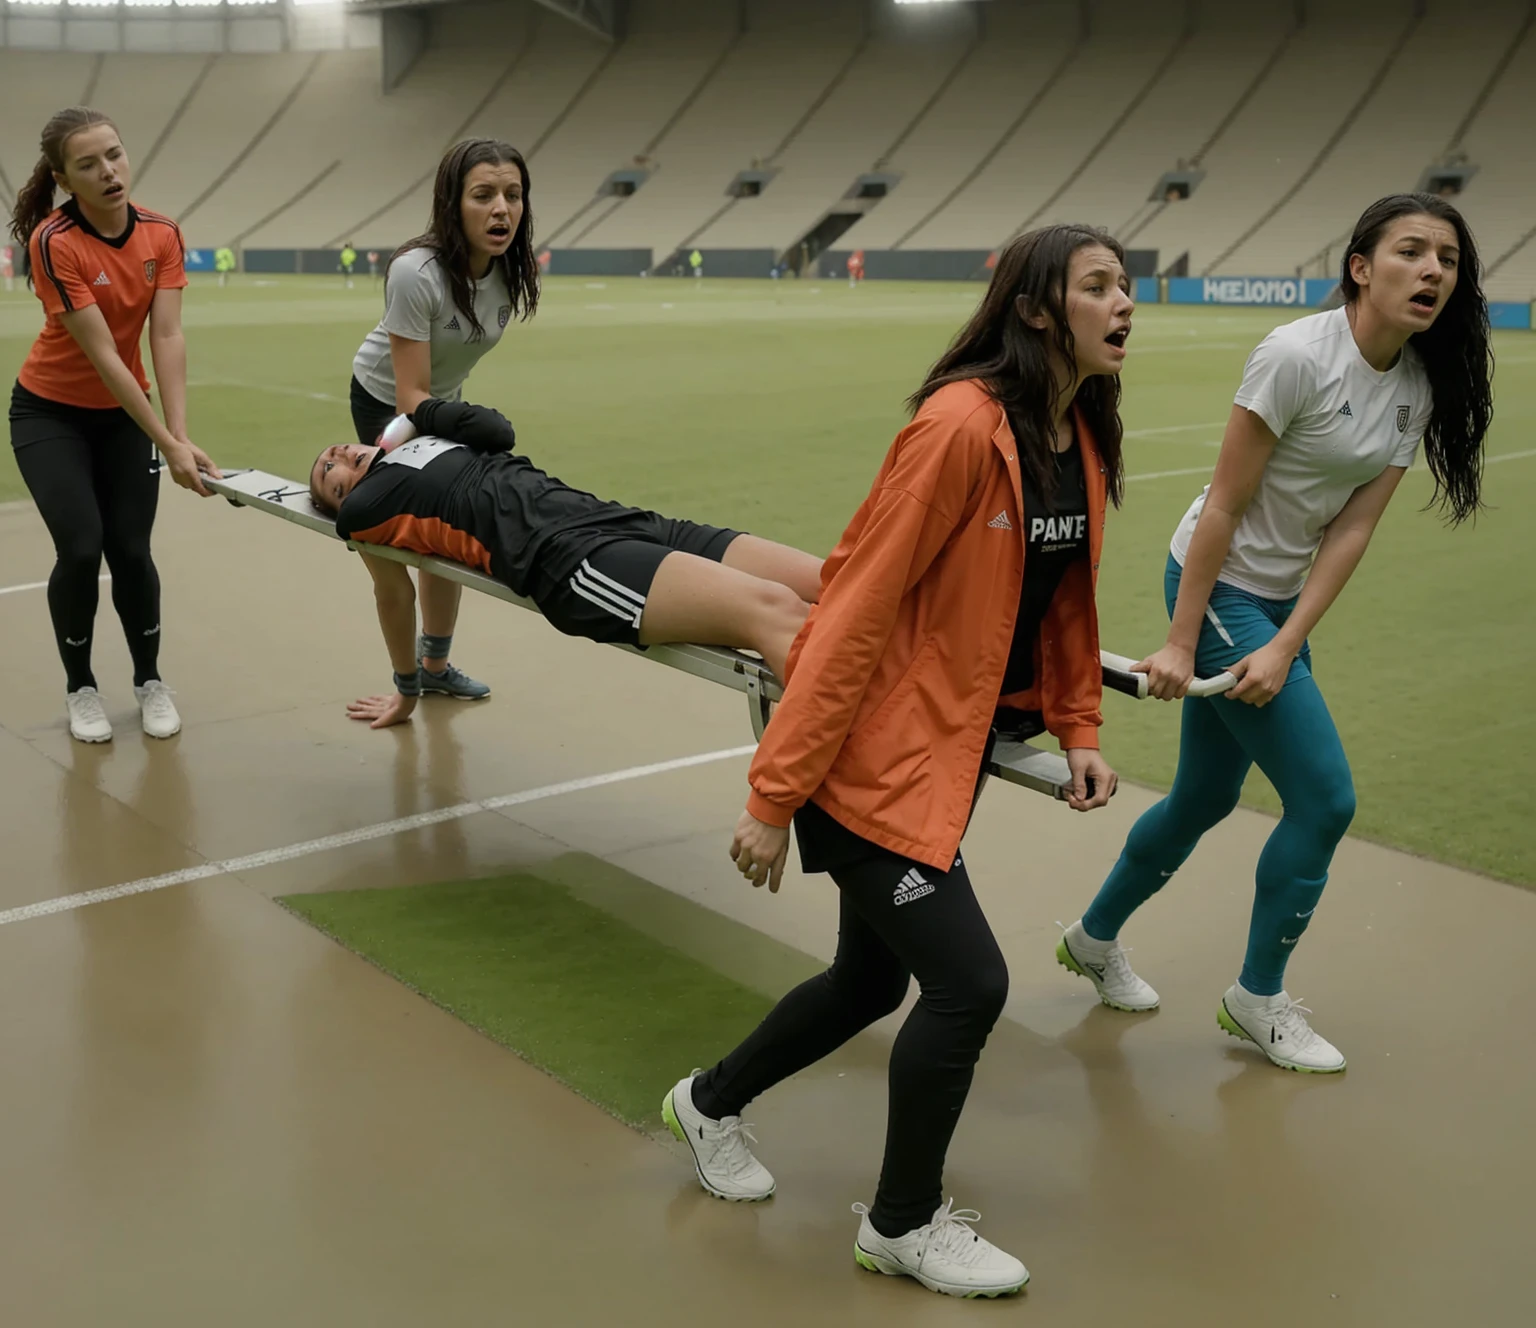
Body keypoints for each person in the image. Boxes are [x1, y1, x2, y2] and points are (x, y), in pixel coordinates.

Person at [663, 225, 1135, 1298]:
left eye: (1127, 284)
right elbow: (852, 612)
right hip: (865, 756)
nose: (1126, 303)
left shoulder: (1078, 433)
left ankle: (708, 1100)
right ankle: (902, 1221)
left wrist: (1081, 729)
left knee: (869, 979)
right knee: (969, 983)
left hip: (939, 753)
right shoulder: (958, 428)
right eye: (1099, 285)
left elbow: (1065, 603)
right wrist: (773, 794)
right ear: (1033, 308)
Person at [1057, 194, 1493, 1073]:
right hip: (1216, 585)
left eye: (1447, 258)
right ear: (1361, 268)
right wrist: (1183, 642)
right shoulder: (1296, 355)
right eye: (1412, 251)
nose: (1434, 271)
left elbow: (1354, 528)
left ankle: (1092, 938)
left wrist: (1288, 637)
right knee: (1327, 800)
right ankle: (1257, 997)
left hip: (1272, 603)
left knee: (1204, 799)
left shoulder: (1413, 387)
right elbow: (1223, 502)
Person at [308, 398, 823, 729]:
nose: (335, 463)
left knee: (834, 580)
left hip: (619, 520)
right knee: (776, 611)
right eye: (330, 481)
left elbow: (497, 430)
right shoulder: (366, 506)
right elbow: (393, 596)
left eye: (333, 454)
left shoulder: (421, 441)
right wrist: (407, 691)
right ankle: (863, 780)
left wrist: (421, 412)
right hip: (571, 560)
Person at [7, 106, 220, 744]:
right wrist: (168, 445)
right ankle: (81, 689)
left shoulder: (161, 233)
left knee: (130, 549)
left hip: (125, 417)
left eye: (114, 154)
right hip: (51, 414)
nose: (108, 171)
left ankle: (149, 681)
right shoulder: (54, 240)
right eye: (88, 164)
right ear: (65, 178)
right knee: (80, 547)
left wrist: (177, 436)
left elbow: (168, 333)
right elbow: (104, 358)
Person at [349, 138, 541, 708]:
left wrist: (463, 421)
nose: (501, 209)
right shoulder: (416, 272)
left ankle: (436, 665)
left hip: (443, 403)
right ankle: (404, 686)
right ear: (452, 204)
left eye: (513, 195)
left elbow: (440, 385)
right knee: (391, 549)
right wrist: (475, 427)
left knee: (448, 542)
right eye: (483, 195)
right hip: (389, 406)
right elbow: (410, 396)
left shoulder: (512, 269)